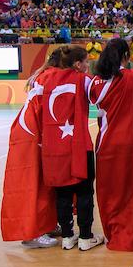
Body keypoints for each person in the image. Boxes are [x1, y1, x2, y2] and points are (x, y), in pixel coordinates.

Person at [38, 45, 102, 251]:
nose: (87, 65)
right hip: (78, 145)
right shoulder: (83, 80)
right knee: (84, 191)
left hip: (53, 147)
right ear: (78, 64)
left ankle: (66, 236)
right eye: (85, 62)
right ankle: (85, 236)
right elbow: (101, 95)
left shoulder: (44, 78)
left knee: (62, 192)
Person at [87, 39, 133, 252]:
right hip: (129, 144)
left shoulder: (93, 83)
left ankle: (112, 233)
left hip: (104, 143)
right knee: (129, 192)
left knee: (107, 191)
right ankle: (130, 235)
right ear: (126, 57)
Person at [0, 53, 58, 248]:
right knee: (32, 183)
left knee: (44, 181)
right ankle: (31, 233)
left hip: (31, 132)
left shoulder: (43, 75)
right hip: (31, 134)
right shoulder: (49, 78)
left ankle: (46, 224)